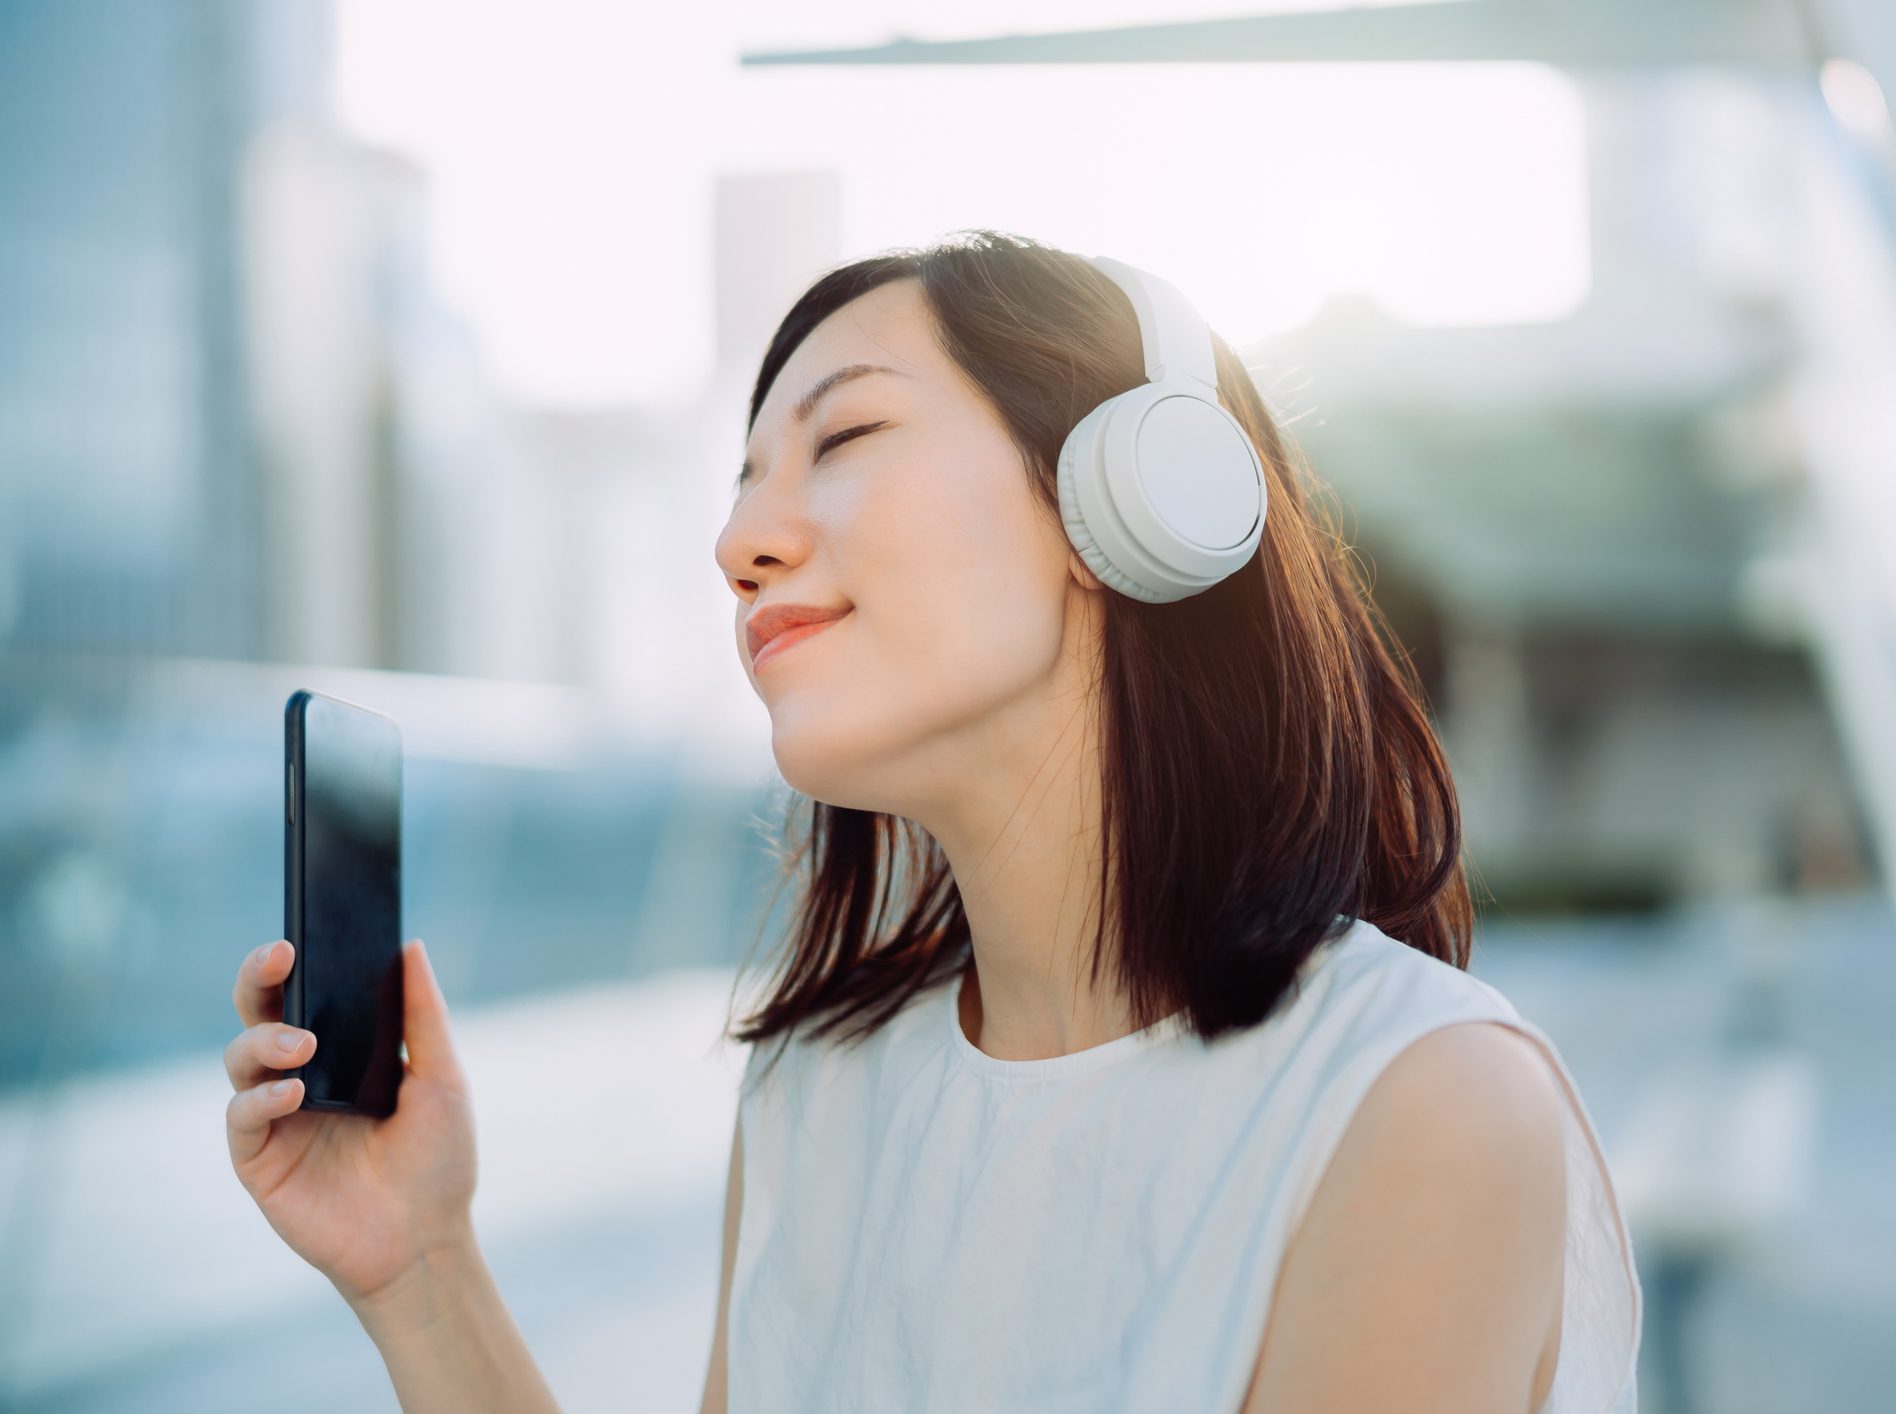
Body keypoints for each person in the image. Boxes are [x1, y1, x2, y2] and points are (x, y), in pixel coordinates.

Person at [225, 229, 1641, 1413]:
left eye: (841, 434)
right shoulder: (814, 1092)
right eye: (740, 485)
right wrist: (419, 1265)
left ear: (1126, 501)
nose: (739, 545)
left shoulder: (1416, 1105)